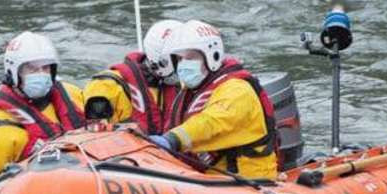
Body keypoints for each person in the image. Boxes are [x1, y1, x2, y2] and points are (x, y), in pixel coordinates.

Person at [150, 20, 278, 180]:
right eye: (180, 59)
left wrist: (172, 139)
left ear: (212, 56)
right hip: (212, 179)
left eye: (191, 57)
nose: (183, 64)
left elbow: (211, 123)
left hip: (249, 182)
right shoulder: (193, 90)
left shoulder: (237, 90)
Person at [0, 31, 85, 188]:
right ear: (14, 73)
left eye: (46, 68)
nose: (41, 74)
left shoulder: (74, 96)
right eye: (32, 69)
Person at [82, 20, 182, 135]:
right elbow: (94, 137)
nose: (186, 62)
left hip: (166, 148)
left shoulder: (182, 87)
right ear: (162, 59)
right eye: (181, 58)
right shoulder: (105, 87)